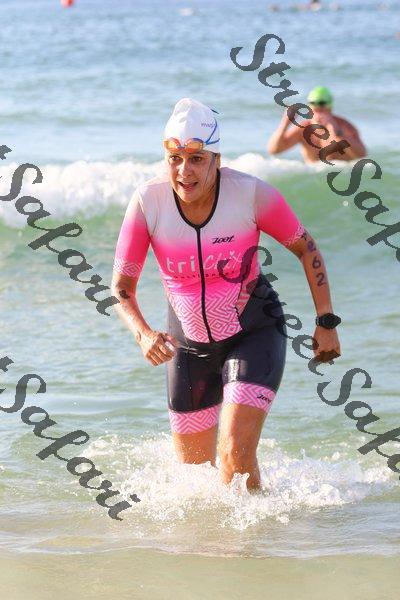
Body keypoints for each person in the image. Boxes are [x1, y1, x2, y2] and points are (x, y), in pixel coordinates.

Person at [112, 98, 341, 492]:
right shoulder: (148, 202)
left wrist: (326, 321)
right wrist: (143, 334)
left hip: (254, 333)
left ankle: (261, 531)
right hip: (187, 348)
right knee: (194, 480)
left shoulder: (250, 194)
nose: (184, 171)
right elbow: (121, 288)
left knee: (235, 457)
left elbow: (307, 248)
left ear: (216, 159)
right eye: (175, 159)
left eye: (197, 159)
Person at [268, 86, 367, 164]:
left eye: (322, 107)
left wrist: (338, 134)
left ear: (330, 107)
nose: (319, 112)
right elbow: (274, 150)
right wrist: (285, 124)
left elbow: (361, 155)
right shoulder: (303, 129)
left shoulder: (344, 126)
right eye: (315, 107)